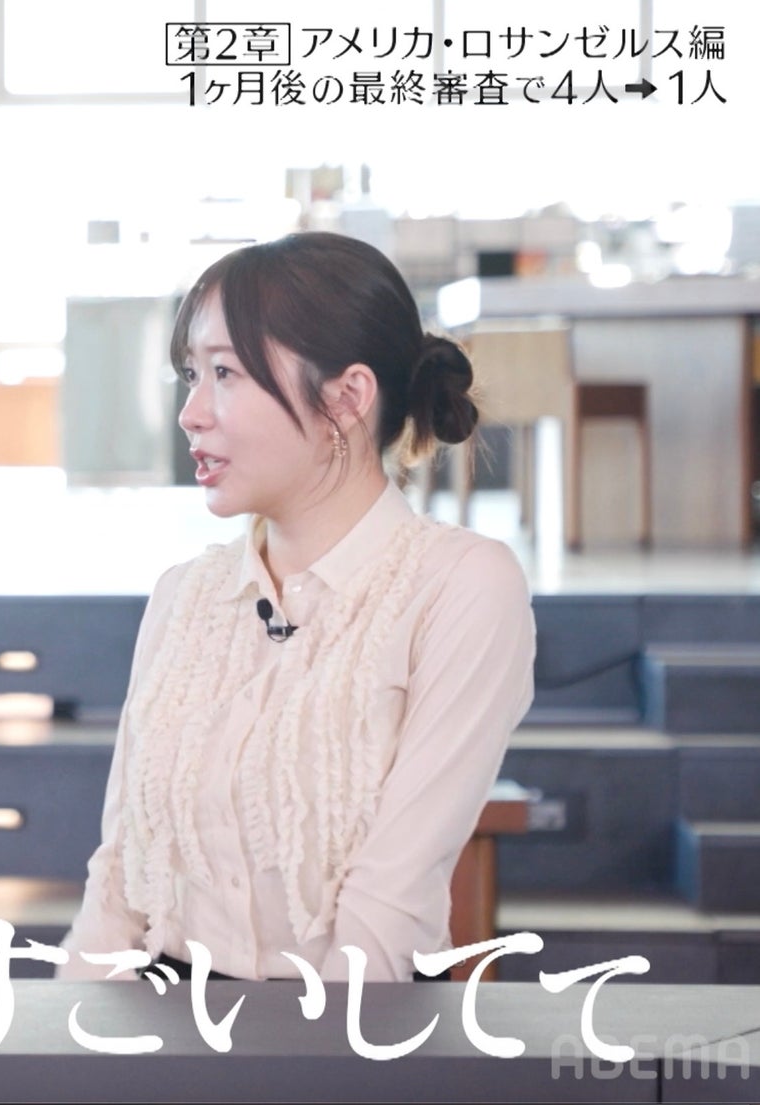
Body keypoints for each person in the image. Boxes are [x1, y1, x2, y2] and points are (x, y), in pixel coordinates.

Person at [57, 231, 536, 983]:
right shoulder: (184, 594)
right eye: (191, 374)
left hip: (352, 1027)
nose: (191, 413)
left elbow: (386, 915)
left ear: (347, 397)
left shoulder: (461, 585)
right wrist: (73, 1033)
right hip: (163, 1022)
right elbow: (117, 884)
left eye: (225, 373)